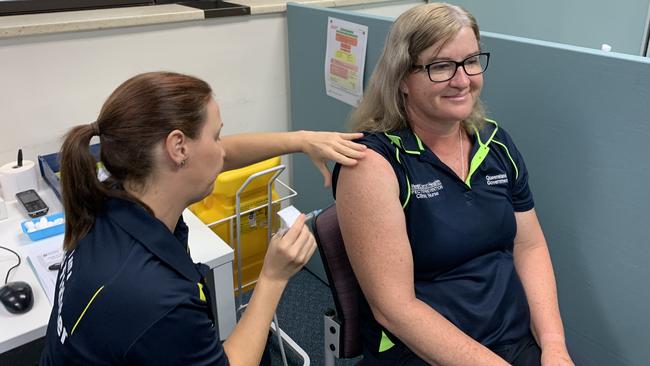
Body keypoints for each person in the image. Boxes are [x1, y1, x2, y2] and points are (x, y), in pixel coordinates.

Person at [39, 71, 366, 365]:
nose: (222, 150)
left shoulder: (112, 197)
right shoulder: (156, 300)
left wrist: (300, 140)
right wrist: (272, 278)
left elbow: (220, 156)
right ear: (178, 147)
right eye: (216, 136)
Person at [333, 3, 574, 365]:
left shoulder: (495, 143)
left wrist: (555, 346)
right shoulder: (373, 165)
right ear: (402, 78)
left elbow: (529, 246)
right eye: (441, 66)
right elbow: (394, 309)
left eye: (471, 61)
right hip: (421, 352)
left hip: (512, 338)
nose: (463, 80)